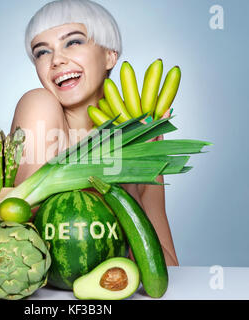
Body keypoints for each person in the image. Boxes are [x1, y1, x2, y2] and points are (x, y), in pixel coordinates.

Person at [10, 0, 179, 266]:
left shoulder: (143, 136)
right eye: (42, 52)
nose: (56, 60)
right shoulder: (38, 106)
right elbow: (22, 238)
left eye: (73, 42)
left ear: (110, 55)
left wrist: (128, 177)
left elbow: (163, 269)